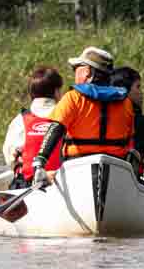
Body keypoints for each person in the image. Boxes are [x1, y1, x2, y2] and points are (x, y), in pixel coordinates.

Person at [25, 46, 135, 187]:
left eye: (76, 68)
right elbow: (131, 143)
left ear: (87, 72)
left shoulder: (73, 98)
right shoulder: (126, 103)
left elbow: (55, 130)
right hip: (115, 172)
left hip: (77, 169)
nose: (74, 73)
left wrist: (40, 162)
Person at [1, 67, 64, 188]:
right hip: (61, 185)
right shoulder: (67, 118)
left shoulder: (20, 120)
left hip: (26, 184)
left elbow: (9, 157)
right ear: (56, 91)